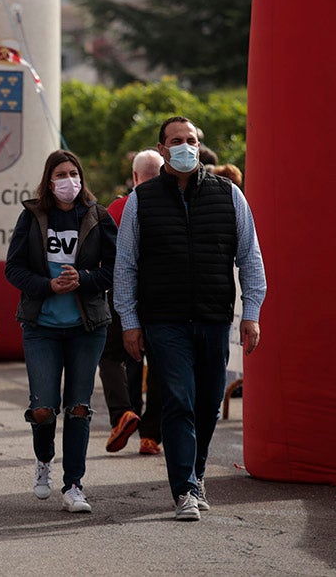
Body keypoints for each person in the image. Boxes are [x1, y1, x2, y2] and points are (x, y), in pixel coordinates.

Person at [113, 116, 267, 522]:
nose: (186, 146)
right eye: (176, 141)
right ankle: (184, 489)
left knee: (208, 404)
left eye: (191, 140)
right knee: (178, 400)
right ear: (162, 149)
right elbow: (125, 266)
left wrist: (251, 314)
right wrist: (129, 320)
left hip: (214, 317)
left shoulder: (229, 195)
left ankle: (196, 476)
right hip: (164, 320)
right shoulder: (140, 201)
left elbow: (250, 258)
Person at [4, 149, 117, 514]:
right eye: (60, 175)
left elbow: (116, 269)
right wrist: (47, 285)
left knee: (80, 408)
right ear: (49, 182)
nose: (69, 181)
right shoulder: (33, 216)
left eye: (74, 173)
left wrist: (82, 278)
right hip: (42, 327)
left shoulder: (98, 217)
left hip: (87, 327)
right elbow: (14, 269)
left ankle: (74, 485)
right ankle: (44, 459)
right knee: (43, 408)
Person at [101, 149, 165, 456]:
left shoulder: (118, 207)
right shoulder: (171, 206)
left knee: (114, 356)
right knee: (158, 365)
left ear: (135, 177)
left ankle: (123, 413)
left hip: (121, 294)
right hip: (161, 297)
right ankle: (150, 435)